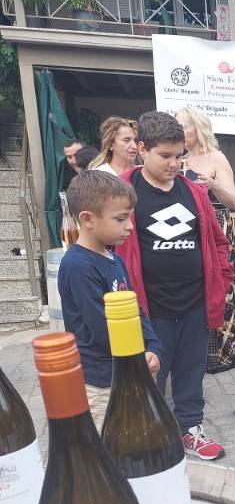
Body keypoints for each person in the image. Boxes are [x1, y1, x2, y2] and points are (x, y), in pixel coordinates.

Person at [116, 111, 232, 461]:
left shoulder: (193, 192)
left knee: (192, 369)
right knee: (150, 374)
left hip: (194, 302)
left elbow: (217, 241)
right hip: (150, 307)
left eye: (178, 156)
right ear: (142, 149)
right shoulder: (124, 189)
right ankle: (149, 435)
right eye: (164, 156)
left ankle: (190, 429)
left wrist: (221, 282)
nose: (173, 164)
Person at [57, 170, 162, 426]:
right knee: (112, 450)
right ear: (88, 219)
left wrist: (153, 346)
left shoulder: (115, 259)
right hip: (104, 383)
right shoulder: (78, 267)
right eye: (120, 219)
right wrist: (137, 361)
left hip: (131, 369)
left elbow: (135, 309)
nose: (130, 226)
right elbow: (103, 330)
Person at [174, 106, 235, 373]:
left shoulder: (217, 158)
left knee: (221, 284)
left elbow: (233, 201)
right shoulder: (177, 159)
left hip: (216, 225)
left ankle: (224, 351)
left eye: (184, 126)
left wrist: (213, 184)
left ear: (198, 128)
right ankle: (193, 351)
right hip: (188, 229)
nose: (180, 132)